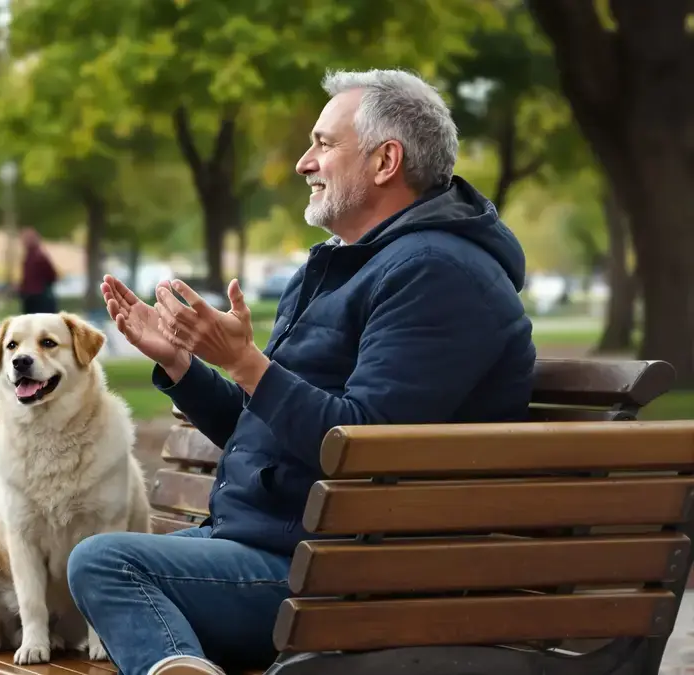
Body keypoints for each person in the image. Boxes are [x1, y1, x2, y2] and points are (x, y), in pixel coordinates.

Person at [67, 68, 538, 675]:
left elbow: (364, 444)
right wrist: (182, 364)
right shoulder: (350, 265)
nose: (302, 162)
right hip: (292, 550)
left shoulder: (436, 274)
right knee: (87, 569)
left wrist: (243, 360)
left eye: (323, 143)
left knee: (105, 563)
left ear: (385, 160)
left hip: (355, 579)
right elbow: (270, 426)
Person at [18, 228, 58, 314]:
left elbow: (52, 275)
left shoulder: (39, 256)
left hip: (39, 297)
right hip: (30, 296)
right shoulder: (29, 256)